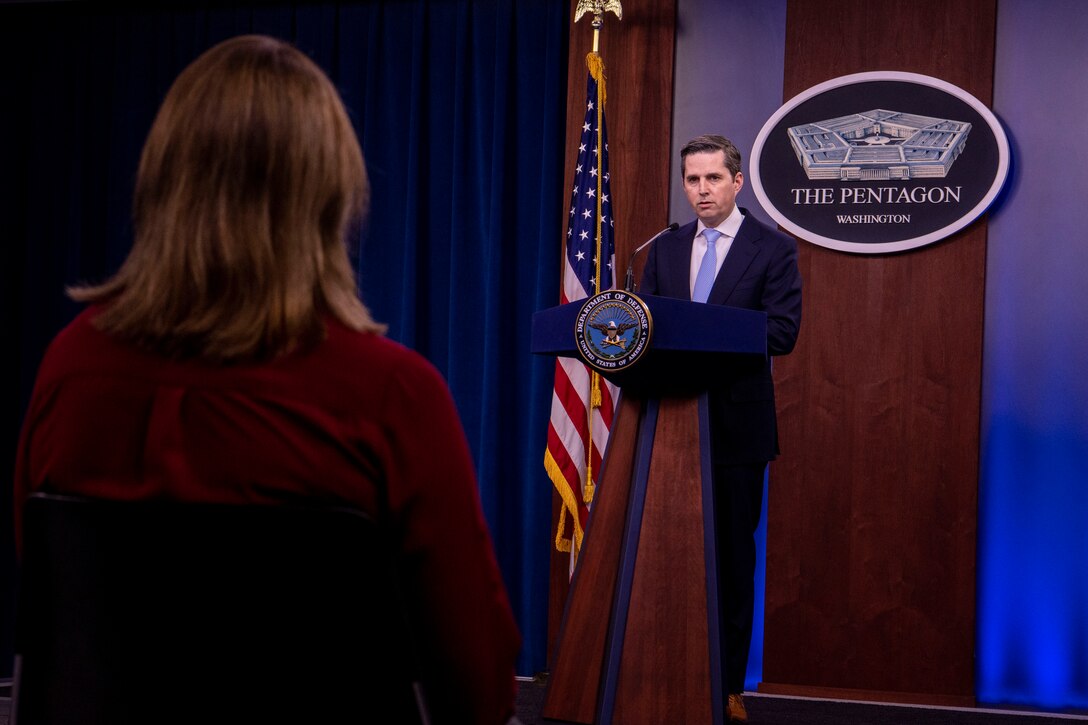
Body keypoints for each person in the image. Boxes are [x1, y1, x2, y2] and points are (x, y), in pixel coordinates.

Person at [12, 34, 521, 725]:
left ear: (162, 181)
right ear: (329, 197)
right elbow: (477, 684)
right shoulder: (392, 394)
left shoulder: (70, 368)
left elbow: (50, 607)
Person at [638, 134, 802, 723]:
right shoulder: (663, 249)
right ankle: (663, 676)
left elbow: (781, 333)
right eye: (691, 180)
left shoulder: (773, 250)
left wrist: (705, 335)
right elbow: (642, 330)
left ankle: (729, 687)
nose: (701, 191)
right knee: (665, 558)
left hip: (736, 430)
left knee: (730, 562)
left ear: (737, 182)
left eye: (712, 179)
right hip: (669, 426)